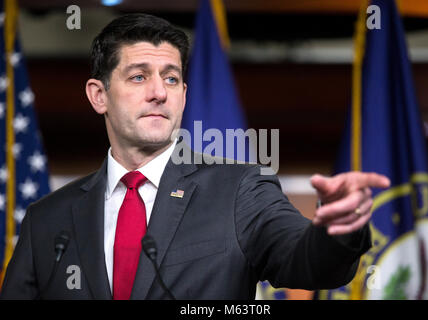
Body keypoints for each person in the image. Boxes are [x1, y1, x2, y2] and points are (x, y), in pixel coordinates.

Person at [0, 13, 390, 300]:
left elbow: (307, 261)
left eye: (171, 78)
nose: (159, 92)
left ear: (184, 95)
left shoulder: (240, 189)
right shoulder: (46, 220)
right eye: (138, 77)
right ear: (98, 96)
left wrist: (338, 231)